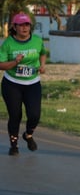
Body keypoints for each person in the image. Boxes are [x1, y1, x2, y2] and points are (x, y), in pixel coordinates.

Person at [0, 13, 47, 156]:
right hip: (12, 84)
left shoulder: (37, 41)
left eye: (27, 25)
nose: (24, 28)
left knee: (34, 115)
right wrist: (15, 62)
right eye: (20, 25)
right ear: (14, 27)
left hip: (32, 83)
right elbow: (1, 65)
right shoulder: (8, 44)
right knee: (15, 115)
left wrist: (43, 65)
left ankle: (28, 134)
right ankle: (14, 145)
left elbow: (42, 53)